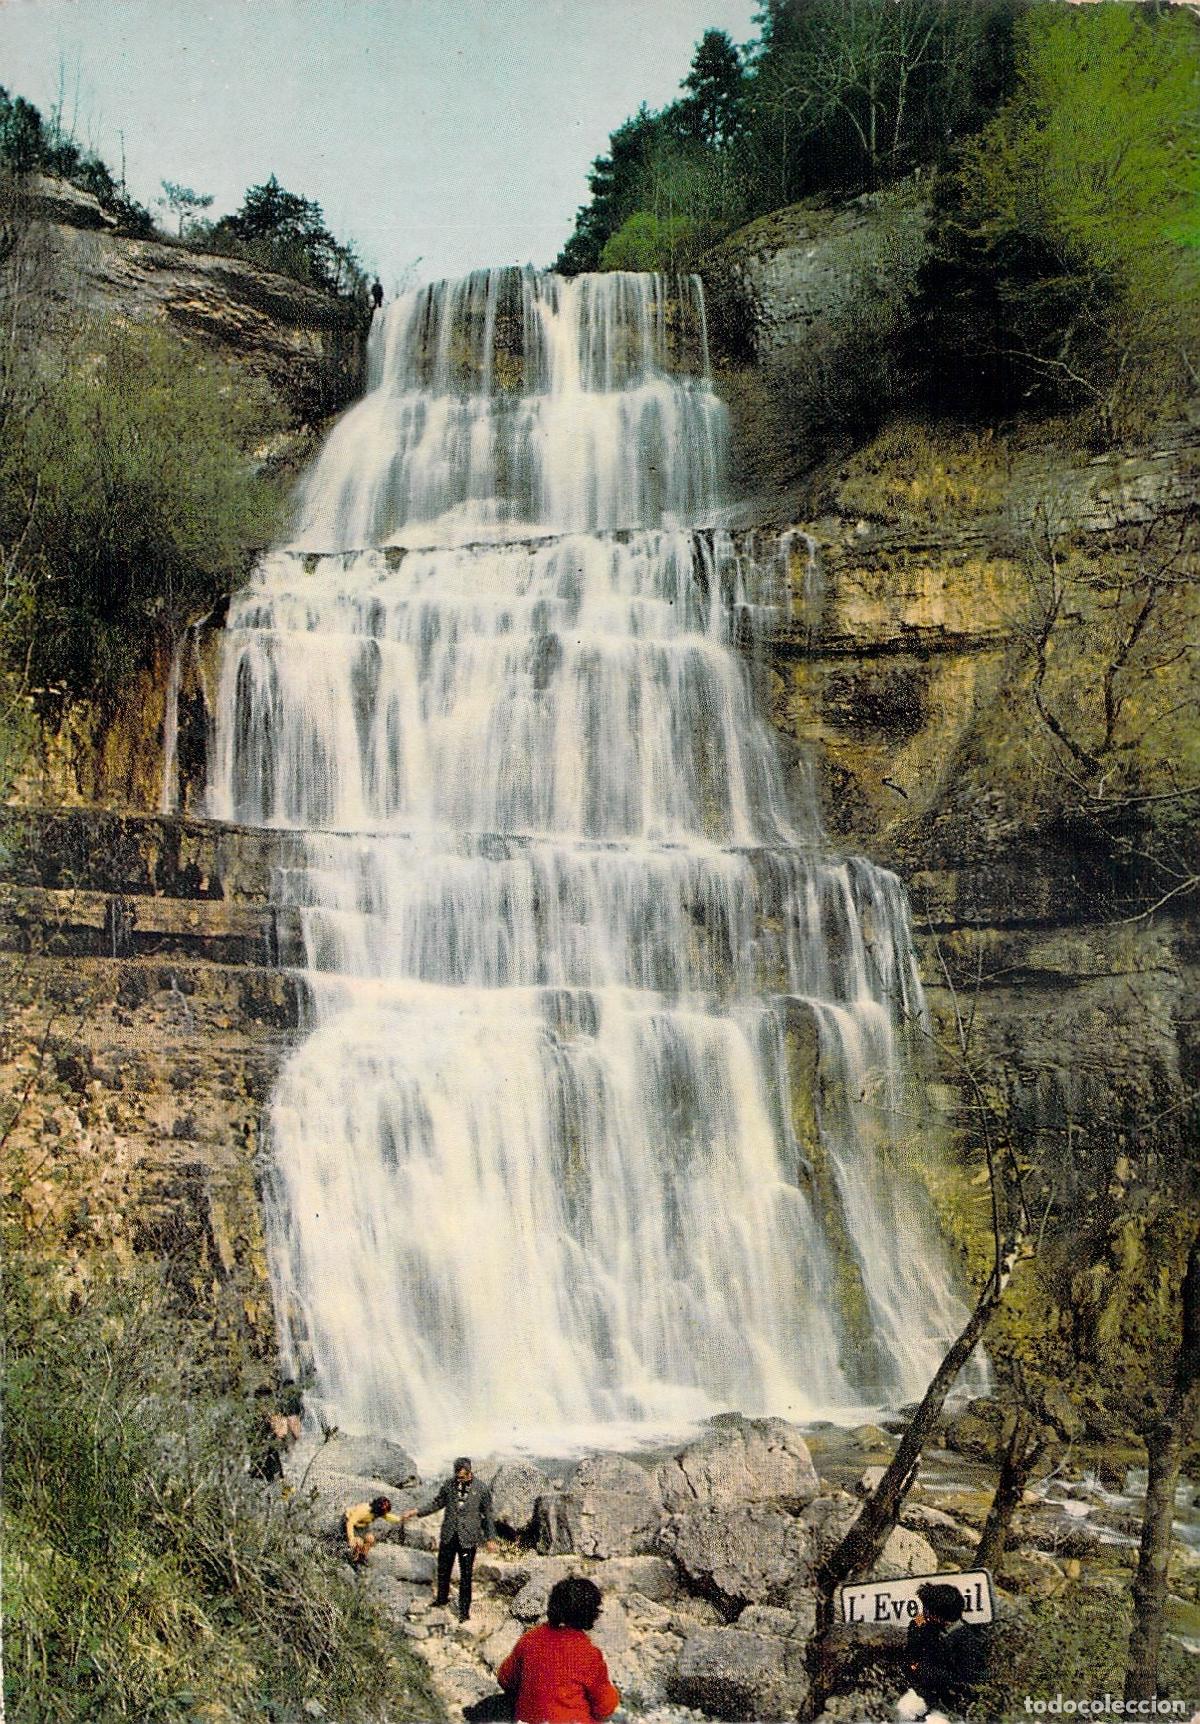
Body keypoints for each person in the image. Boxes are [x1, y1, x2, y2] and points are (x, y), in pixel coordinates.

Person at [496, 1576, 619, 1724]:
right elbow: (605, 1707)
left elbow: (505, 1679)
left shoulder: (530, 1639)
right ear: (591, 1614)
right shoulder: (588, 1653)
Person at [400, 1456, 496, 1621]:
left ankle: (464, 1613)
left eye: (464, 1476)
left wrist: (490, 1538)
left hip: (468, 1538)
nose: (461, 1478)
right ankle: (441, 1599)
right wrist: (416, 1511)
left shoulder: (482, 1489)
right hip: (449, 1535)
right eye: (458, 1476)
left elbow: (488, 1516)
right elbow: (436, 1503)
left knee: (466, 1576)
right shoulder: (448, 1485)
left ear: (470, 1472)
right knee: (443, 1570)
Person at [899, 1581, 988, 1716]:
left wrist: (921, 1669)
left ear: (939, 1617)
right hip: (921, 1683)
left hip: (946, 1699)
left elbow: (966, 1682)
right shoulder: (922, 1623)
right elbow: (912, 1652)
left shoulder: (967, 1642)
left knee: (907, 1710)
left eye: (927, 1610)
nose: (922, 1613)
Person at [345, 1494, 402, 1565]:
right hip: (348, 1523)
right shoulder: (364, 1510)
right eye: (384, 1510)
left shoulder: (377, 1512)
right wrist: (351, 1539)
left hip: (360, 1526)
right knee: (359, 1542)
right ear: (378, 1506)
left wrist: (400, 1519)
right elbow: (350, 1522)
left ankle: (362, 1557)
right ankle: (354, 1559)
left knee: (370, 1538)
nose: (384, 1513)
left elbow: (388, 1517)